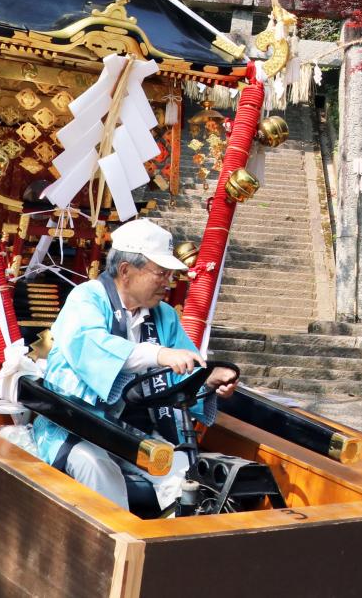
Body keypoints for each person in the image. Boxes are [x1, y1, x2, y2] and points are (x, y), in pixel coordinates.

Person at [34, 218, 239, 514]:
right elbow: (91, 346)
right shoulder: (86, 298)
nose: (168, 282)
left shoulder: (165, 315)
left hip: (135, 430)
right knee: (97, 469)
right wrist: (158, 354)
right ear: (126, 270)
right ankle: (118, 550)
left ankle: (177, 543)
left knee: (183, 473)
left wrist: (210, 380)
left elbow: (186, 367)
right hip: (78, 424)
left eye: (170, 274)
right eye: (161, 273)